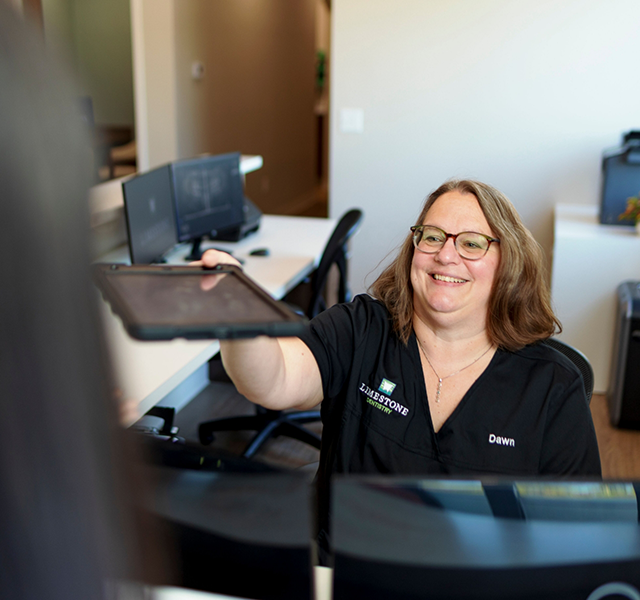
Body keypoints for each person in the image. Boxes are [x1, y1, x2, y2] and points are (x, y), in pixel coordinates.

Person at [197, 179, 601, 557]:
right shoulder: (361, 329)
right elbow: (274, 380)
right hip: (350, 575)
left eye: (472, 244)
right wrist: (240, 318)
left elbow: (577, 537)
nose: (446, 254)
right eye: (432, 237)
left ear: (507, 262)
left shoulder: (552, 386)